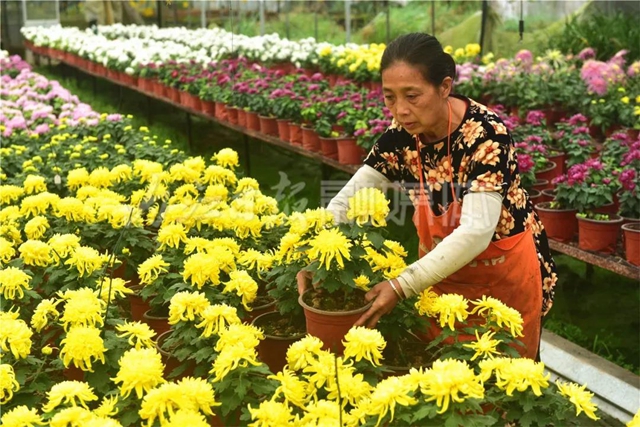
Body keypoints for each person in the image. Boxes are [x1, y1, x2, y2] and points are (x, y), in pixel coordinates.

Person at [298, 32, 558, 360]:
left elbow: (477, 231)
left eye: (412, 96)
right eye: (390, 97)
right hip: (442, 277)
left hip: (501, 274)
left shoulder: (487, 136)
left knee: (501, 385)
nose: (400, 110)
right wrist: (315, 256)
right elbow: (347, 201)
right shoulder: (403, 137)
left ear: (445, 87)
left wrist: (401, 285)